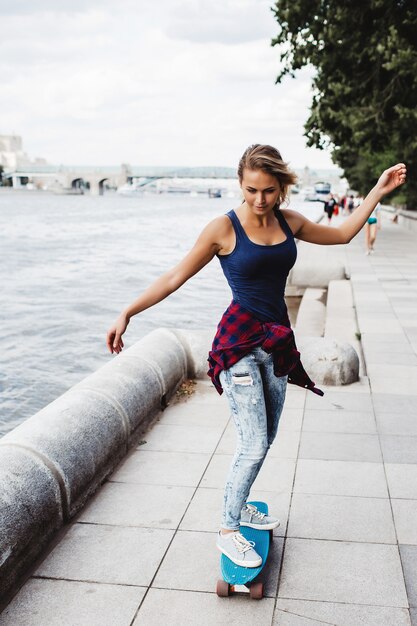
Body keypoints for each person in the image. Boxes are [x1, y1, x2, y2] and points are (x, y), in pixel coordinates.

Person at [106, 144, 406, 568]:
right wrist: (127, 312)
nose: (260, 200)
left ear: (281, 186)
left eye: (268, 190)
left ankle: (240, 503)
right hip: (238, 346)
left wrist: (377, 190)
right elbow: (174, 277)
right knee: (253, 443)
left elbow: (341, 235)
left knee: (265, 441)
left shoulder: (289, 221)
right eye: (251, 190)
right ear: (240, 185)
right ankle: (228, 529)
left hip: (277, 345)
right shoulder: (222, 229)